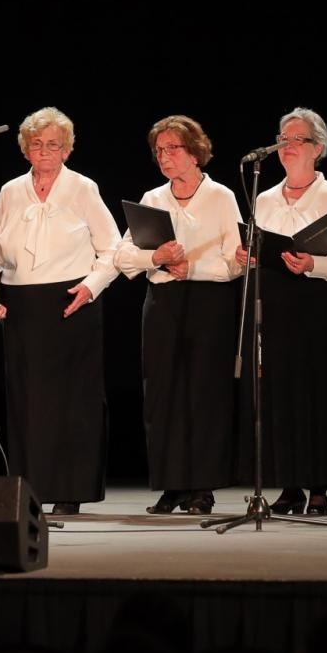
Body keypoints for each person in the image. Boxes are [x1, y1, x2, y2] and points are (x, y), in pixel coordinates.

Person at [0, 106, 120, 515]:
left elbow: (114, 248)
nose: (45, 151)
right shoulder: (10, 191)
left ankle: (70, 490)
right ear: (25, 149)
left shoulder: (83, 188)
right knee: (28, 401)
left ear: (67, 150)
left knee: (72, 402)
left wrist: (91, 288)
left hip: (70, 303)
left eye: (54, 145)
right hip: (21, 306)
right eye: (37, 144)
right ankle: (30, 490)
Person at [113, 115, 242, 515]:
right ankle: (171, 485)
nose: (165, 157)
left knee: (203, 394)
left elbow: (238, 260)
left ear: (195, 152)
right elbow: (122, 256)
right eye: (160, 151)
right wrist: (156, 257)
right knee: (163, 394)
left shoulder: (220, 196)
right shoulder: (153, 199)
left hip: (209, 302)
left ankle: (202, 486)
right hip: (163, 303)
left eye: (174, 149)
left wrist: (194, 269)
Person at [233, 108, 327, 516]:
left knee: (313, 394)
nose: (286, 146)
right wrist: (247, 257)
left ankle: (318, 487)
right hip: (273, 306)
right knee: (278, 396)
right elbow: (258, 251)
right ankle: (288, 485)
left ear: (317, 148)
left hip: (314, 305)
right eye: (283, 139)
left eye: (297, 139)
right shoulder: (265, 197)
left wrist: (313, 265)